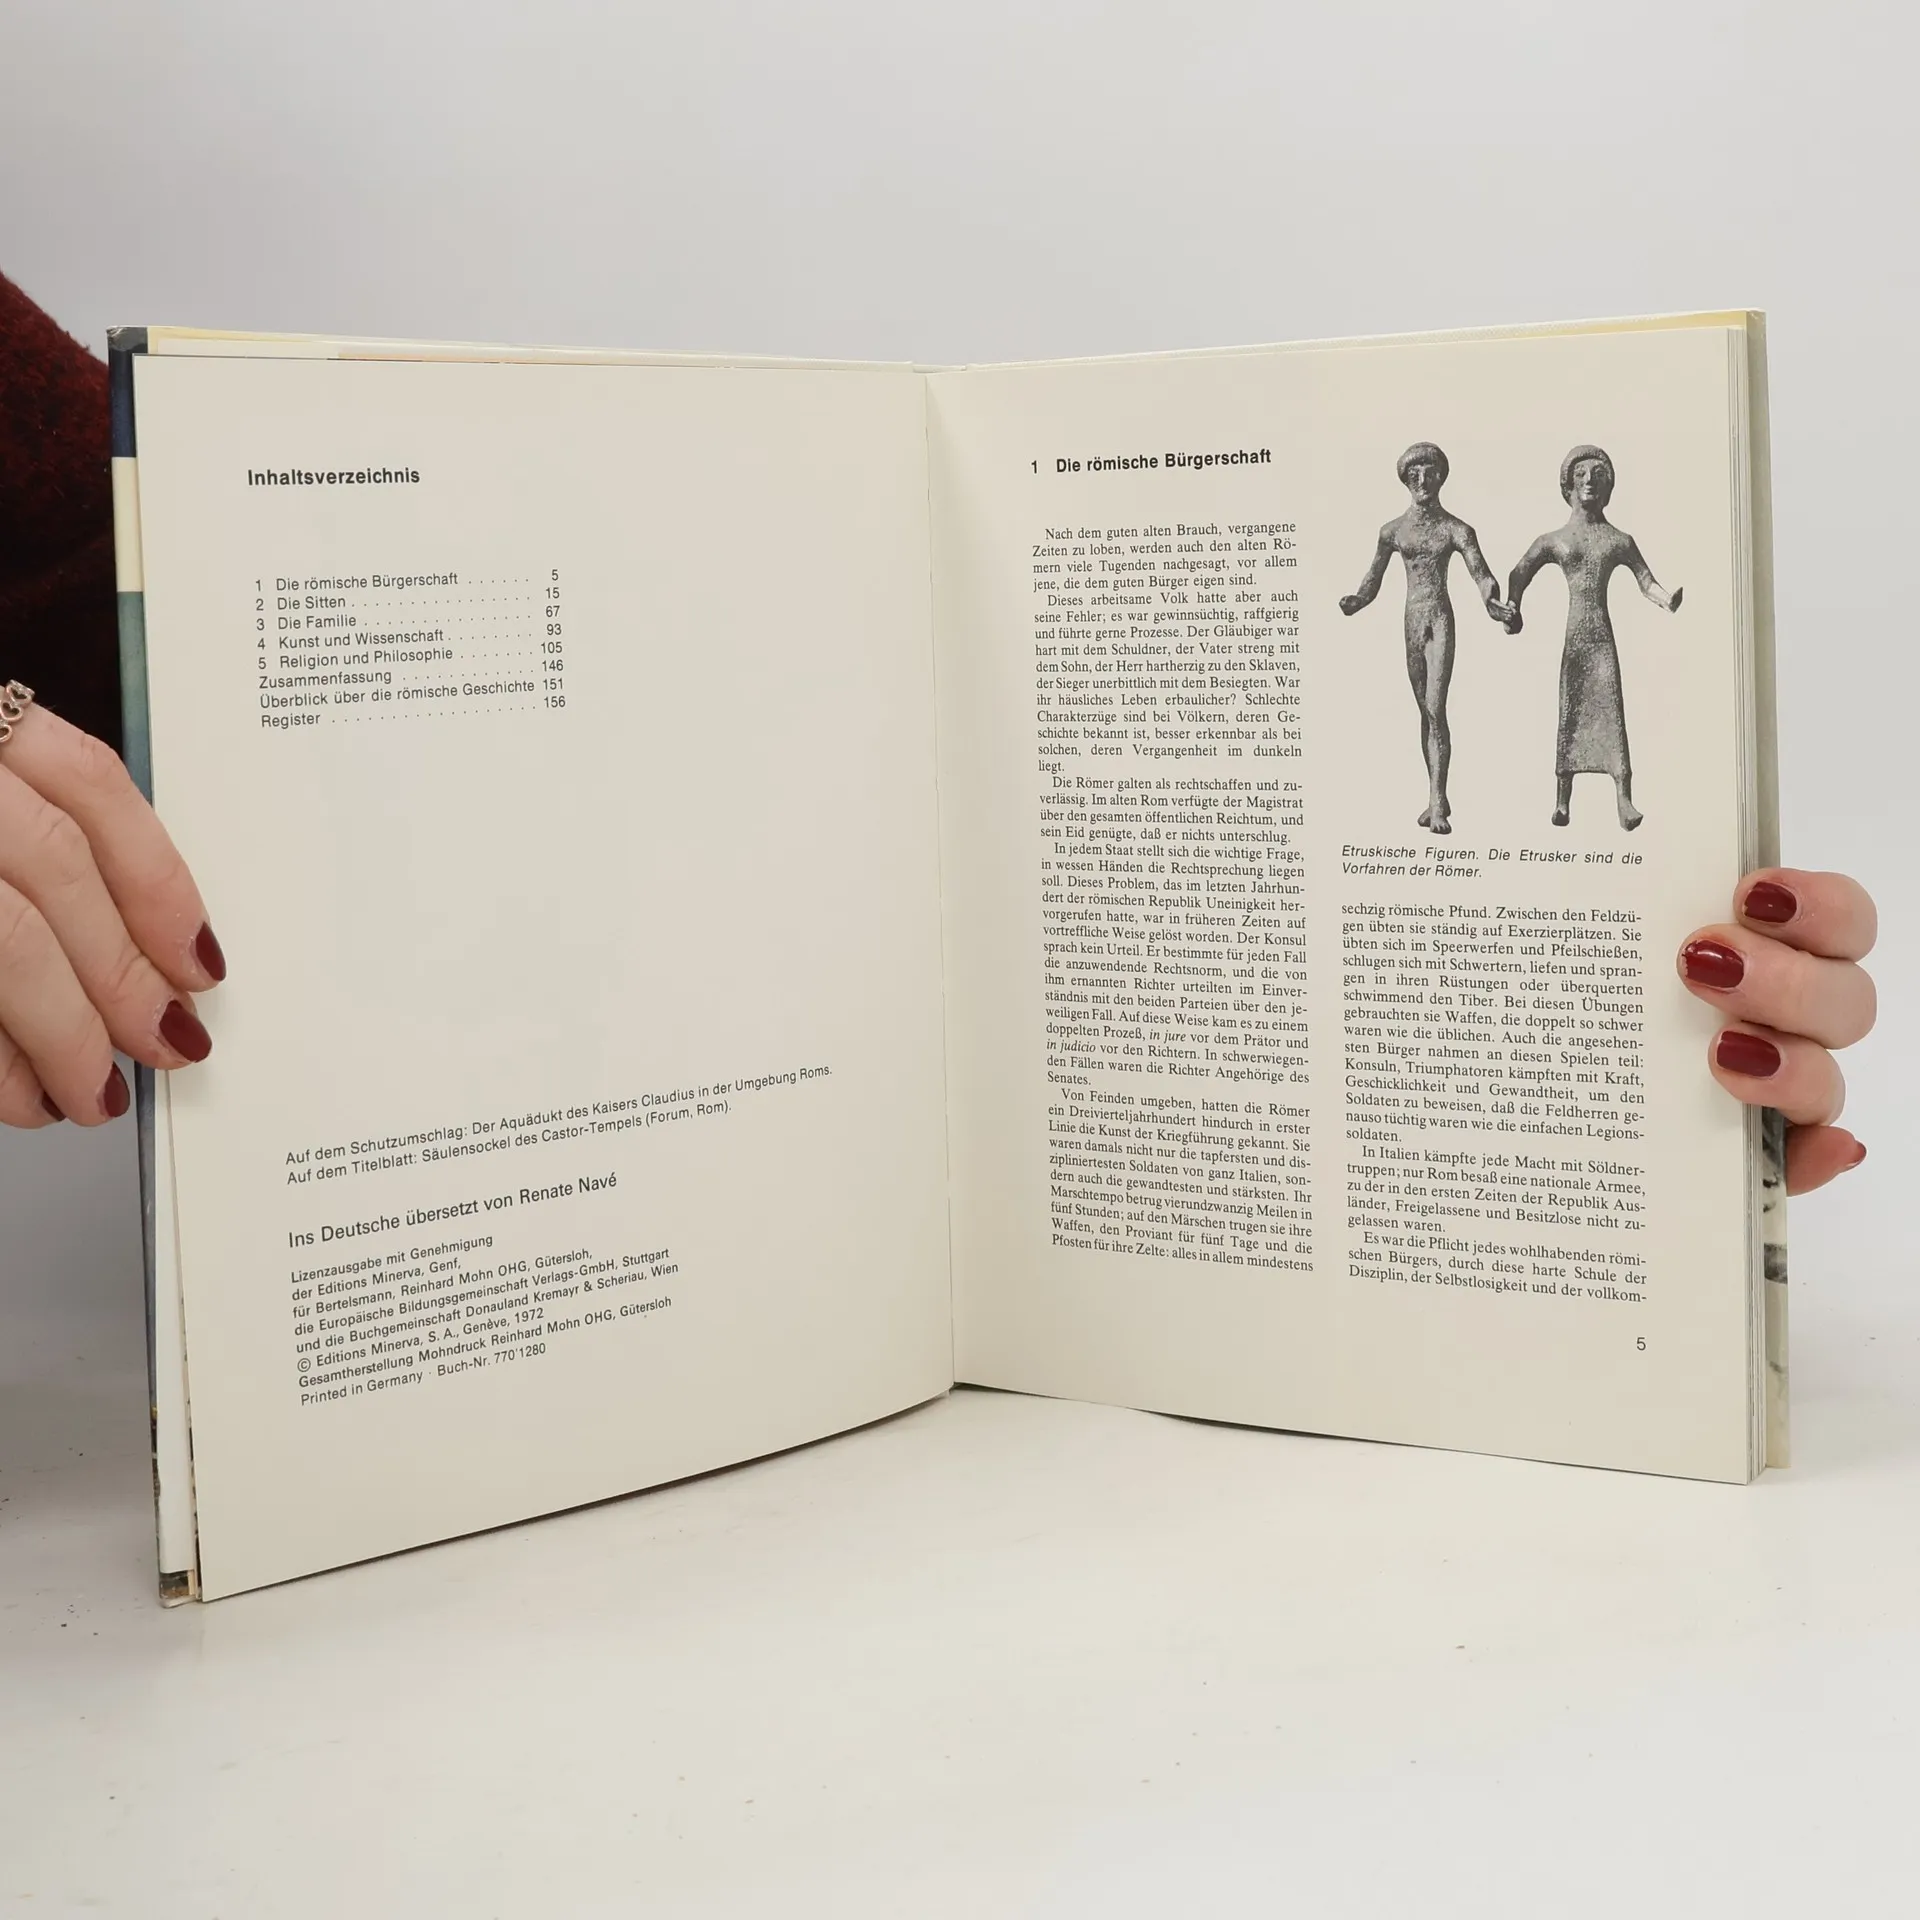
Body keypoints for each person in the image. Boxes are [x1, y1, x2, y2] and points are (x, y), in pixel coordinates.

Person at [0, 271, 1878, 1191]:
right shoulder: (1444, 530)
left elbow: (164, 638)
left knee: (1559, 789)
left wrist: (1606, 1016)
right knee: (1465, 740)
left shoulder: (56, 467)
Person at [1339, 441, 1516, 836]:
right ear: (1405, 479)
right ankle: (1436, 795)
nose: (1422, 480)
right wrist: (1357, 600)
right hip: (1412, 623)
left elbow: (1481, 574)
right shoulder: (1393, 531)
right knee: (1426, 711)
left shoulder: (1456, 529)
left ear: (1440, 478)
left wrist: (1491, 602)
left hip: (1439, 621)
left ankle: (1437, 804)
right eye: (1414, 474)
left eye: (1429, 473)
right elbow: (1372, 580)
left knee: (1436, 709)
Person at [1506, 443, 1679, 831]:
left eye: (1598, 476)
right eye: (1581, 475)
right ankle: (1562, 801)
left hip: (1601, 639)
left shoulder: (1618, 540)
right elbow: (1519, 573)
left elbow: (1646, 582)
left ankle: (1624, 799)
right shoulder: (1554, 539)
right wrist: (1513, 607)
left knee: (1611, 710)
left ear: (1607, 487)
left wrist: (1668, 600)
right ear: (1568, 485)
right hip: (1576, 641)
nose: (1589, 481)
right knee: (1570, 708)